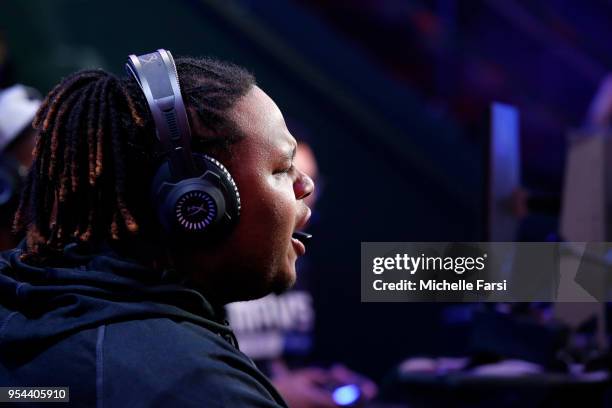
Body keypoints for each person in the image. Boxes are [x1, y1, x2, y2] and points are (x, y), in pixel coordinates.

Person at [0, 50, 314, 407]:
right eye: (282, 168)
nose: (305, 185)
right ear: (198, 202)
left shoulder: (25, 303)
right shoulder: (197, 389)